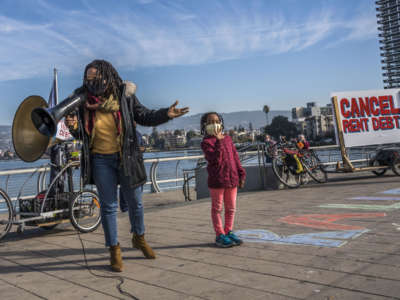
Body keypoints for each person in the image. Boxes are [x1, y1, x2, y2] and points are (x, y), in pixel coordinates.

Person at [65, 59, 188, 272]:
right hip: (100, 159)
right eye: (88, 78)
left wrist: (165, 114)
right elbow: (83, 135)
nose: (92, 82)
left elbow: (144, 115)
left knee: (136, 203)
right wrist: (74, 128)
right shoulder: (82, 101)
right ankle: (114, 249)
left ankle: (138, 238)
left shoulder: (124, 96)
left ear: (107, 75)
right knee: (109, 206)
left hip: (126, 158)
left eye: (96, 77)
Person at [200, 112, 246, 248]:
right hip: (217, 181)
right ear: (205, 125)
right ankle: (219, 234)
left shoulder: (228, 139)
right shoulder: (206, 143)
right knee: (217, 208)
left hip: (232, 179)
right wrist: (218, 141)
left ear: (221, 122)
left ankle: (228, 231)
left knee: (231, 208)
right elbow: (215, 160)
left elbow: (235, 158)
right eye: (210, 122)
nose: (214, 124)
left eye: (216, 121)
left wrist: (241, 174)